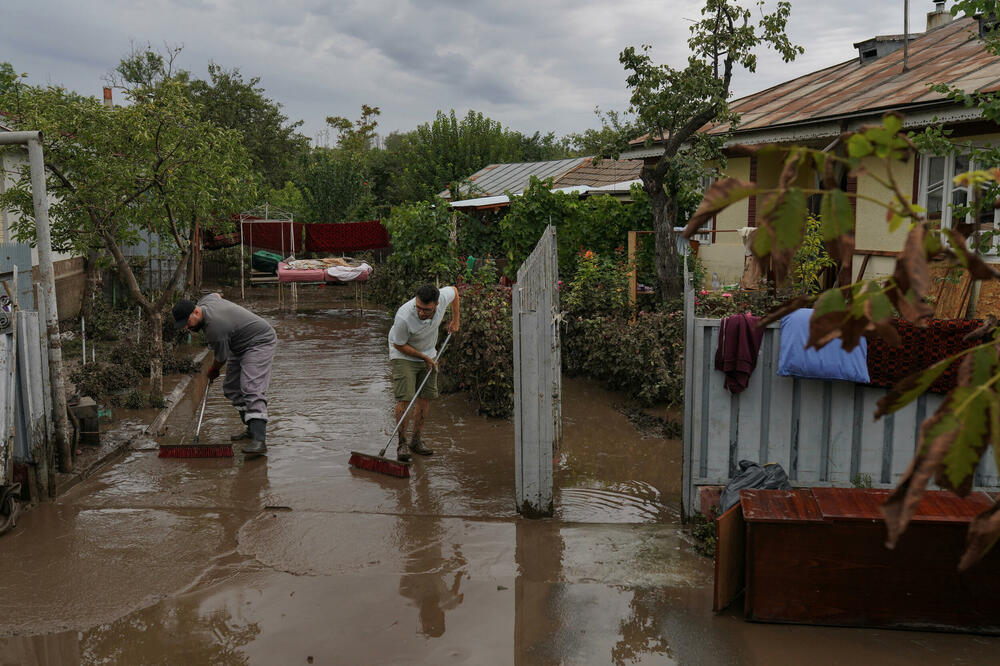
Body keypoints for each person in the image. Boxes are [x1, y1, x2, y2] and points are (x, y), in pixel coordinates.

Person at [172, 293, 277, 458]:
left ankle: (259, 440)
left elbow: (221, 358)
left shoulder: (215, 328)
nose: (186, 328)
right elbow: (216, 295)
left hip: (260, 341)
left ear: (196, 313)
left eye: (187, 323)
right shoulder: (205, 302)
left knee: (251, 387)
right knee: (231, 388)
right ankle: (251, 428)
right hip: (239, 344)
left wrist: (213, 370)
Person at [388, 284, 460, 462]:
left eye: (426, 310)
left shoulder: (442, 297)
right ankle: (402, 443)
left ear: (436, 304)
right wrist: (423, 357)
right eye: (418, 307)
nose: (421, 313)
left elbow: (455, 291)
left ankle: (416, 441)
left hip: (429, 354)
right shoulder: (404, 316)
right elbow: (399, 344)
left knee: (425, 397)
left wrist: (456, 319)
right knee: (405, 398)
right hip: (403, 354)